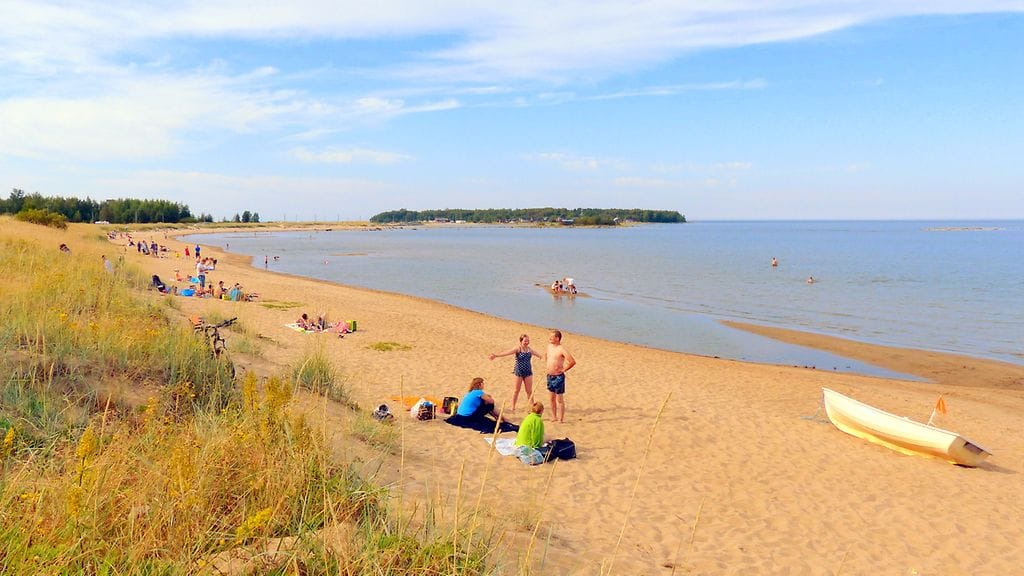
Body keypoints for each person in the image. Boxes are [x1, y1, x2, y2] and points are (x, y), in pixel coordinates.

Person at [489, 334, 542, 412]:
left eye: (528, 341)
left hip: (528, 372)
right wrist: (496, 355)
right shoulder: (518, 349)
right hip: (518, 372)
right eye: (525, 341)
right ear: (521, 341)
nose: (527, 342)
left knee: (529, 391)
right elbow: (507, 352)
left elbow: (540, 356)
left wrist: (545, 357)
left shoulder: (530, 350)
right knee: (516, 390)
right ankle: (513, 407)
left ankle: (532, 407)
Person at [445, 377, 516, 433]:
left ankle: (499, 417)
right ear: (479, 384)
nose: (483, 385)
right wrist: (488, 397)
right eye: (483, 383)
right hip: (468, 417)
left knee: (486, 404)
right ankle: (502, 418)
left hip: (460, 415)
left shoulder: (471, 392)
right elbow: (491, 401)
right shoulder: (478, 392)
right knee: (490, 405)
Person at [545, 329, 576, 423]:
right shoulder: (549, 346)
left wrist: (563, 369)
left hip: (558, 377)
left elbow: (572, 362)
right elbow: (547, 355)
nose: (550, 338)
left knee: (559, 399)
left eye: (552, 337)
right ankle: (554, 417)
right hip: (549, 375)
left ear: (557, 338)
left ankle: (561, 419)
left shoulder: (562, 349)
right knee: (551, 398)